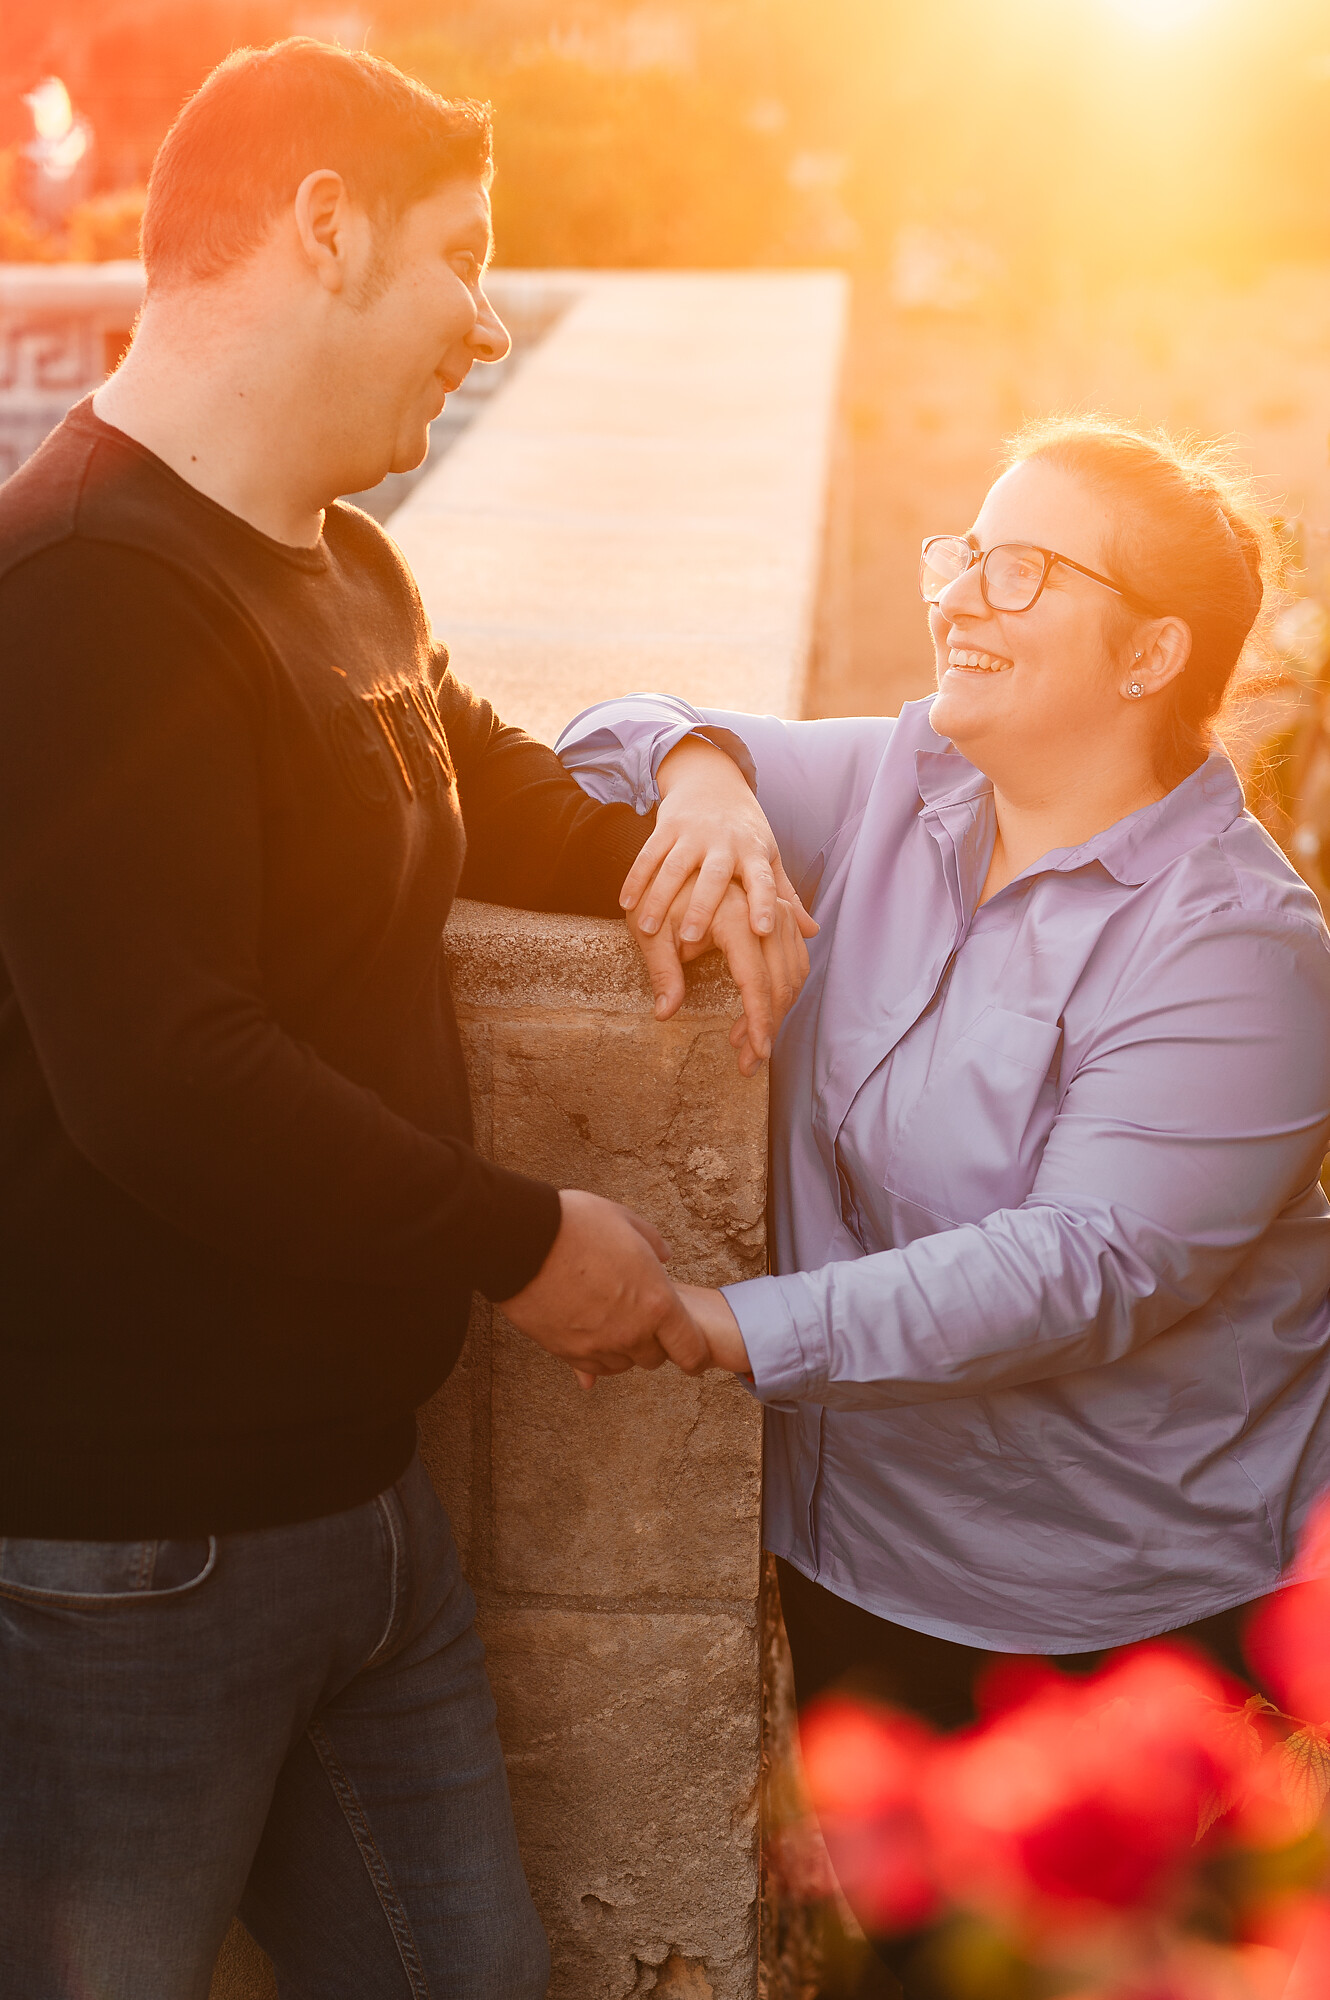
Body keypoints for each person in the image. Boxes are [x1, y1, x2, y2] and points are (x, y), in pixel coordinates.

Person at [0, 39, 812, 2000]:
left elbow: (487, 790)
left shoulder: (336, 558)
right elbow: (162, 1080)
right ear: (323, 225)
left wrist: (699, 776)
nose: (478, 320)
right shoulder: (82, 592)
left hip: (365, 1506)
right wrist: (527, 1242)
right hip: (131, 1552)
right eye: (460, 257)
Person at [559, 416, 1330, 1988]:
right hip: (857, 1567)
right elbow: (592, 734)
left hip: (1110, 1616)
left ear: (1148, 653)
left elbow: (1077, 1266)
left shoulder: (1241, 949)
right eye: (960, 552)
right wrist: (703, 776)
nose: (959, 596)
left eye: (1020, 569)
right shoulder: (906, 782)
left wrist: (717, 1324)